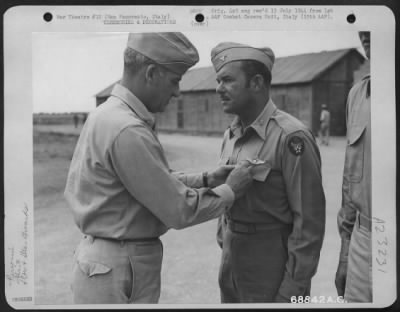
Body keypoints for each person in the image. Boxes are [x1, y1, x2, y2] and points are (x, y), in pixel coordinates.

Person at [64, 33, 254, 304]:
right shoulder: (127, 129)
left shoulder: (109, 114)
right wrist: (230, 190)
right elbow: (180, 209)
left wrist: (205, 179)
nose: (177, 92)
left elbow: (144, 182)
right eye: (174, 81)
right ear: (151, 73)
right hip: (119, 266)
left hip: (108, 259)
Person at [211, 42, 326, 303]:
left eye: (227, 80)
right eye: (218, 81)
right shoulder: (230, 134)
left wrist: (293, 288)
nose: (219, 89)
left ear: (257, 83)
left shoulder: (291, 137)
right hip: (232, 263)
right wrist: (226, 243)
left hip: (272, 266)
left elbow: (309, 222)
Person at [335, 31, 371, 302]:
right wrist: (345, 253)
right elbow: (351, 178)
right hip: (364, 239)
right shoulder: (358, 94)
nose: (366, 32)